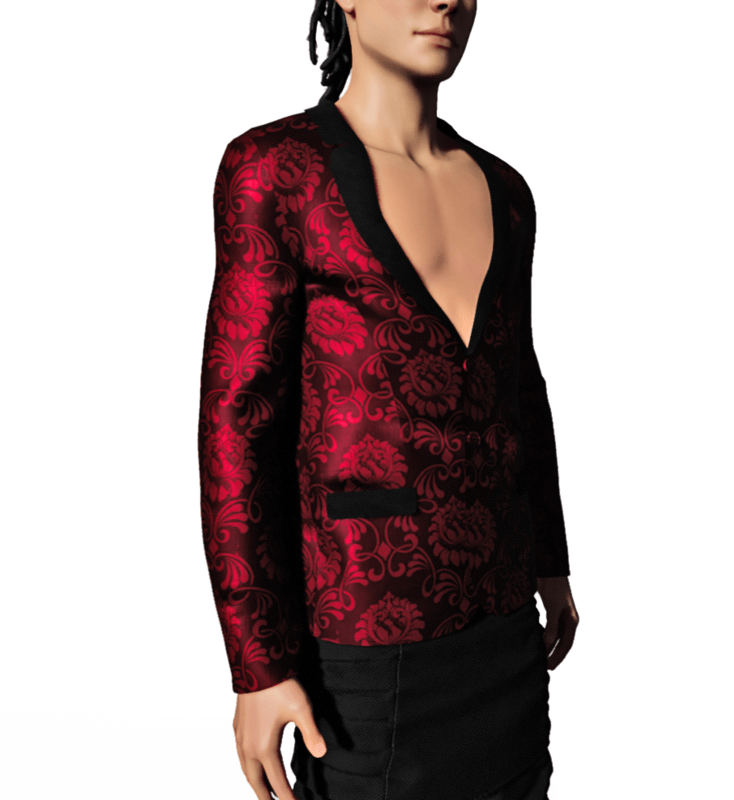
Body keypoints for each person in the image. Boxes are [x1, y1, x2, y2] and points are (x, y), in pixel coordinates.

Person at [197, 1, 579, 798]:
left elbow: (521, 385)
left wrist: (551, 560)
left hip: (507, 629)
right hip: (365, 629)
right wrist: (257, 660)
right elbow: (239, 418)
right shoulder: (278, 169)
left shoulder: (506, 190)